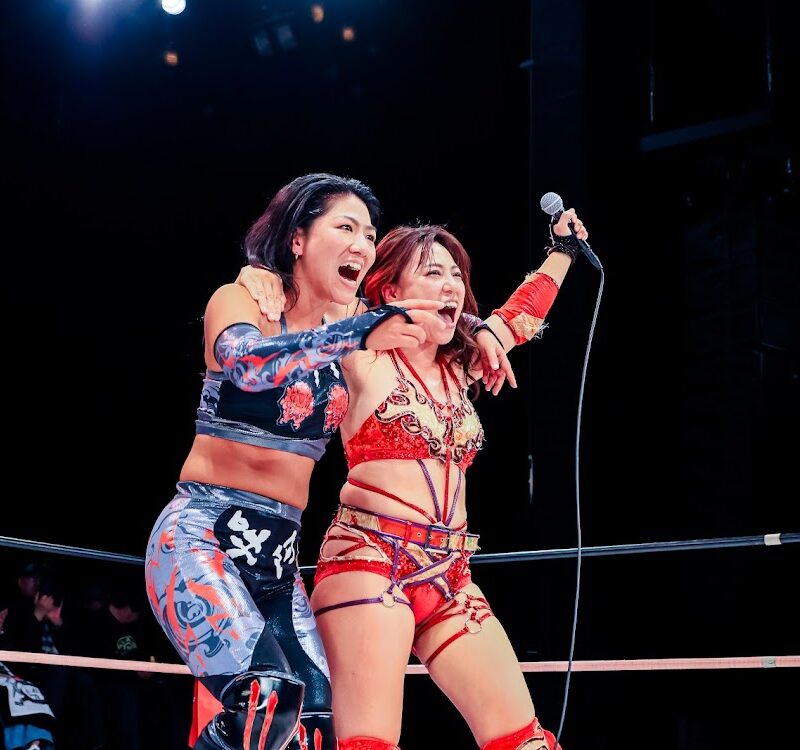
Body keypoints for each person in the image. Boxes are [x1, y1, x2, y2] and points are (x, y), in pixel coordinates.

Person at [144, 172, 510, 750]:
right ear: (297, 238)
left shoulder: (348, 324)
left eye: (368, 234)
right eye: (346, 227)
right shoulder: (243, 300)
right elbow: (249, 365)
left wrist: (477, 326)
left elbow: (425, 308)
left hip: (279, 561)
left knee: (318, 728)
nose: (362, 244)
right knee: (266, 701)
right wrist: (353, 327)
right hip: (201, 537)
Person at [298, 212, 588, 750]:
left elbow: (519, 316)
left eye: (456, 275)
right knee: (369, 743)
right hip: (368, 560)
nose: (451, 284)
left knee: (524, 739)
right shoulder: (363, 358)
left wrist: (563, 251)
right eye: (432, 273)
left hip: (450, 573)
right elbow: (330, 300)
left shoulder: (463, 366)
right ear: (391, 290)